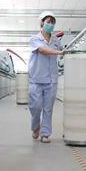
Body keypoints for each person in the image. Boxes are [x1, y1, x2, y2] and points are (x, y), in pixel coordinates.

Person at [27, 11, 63, 143]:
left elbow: (62, 52)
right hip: (36, 79)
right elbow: (42, 50)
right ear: (42, 23)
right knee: (35, 107)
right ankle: (35, 126)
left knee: (48, 108)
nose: (50, 24)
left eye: (53, 22)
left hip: (52, 80)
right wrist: (59, 52)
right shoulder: (34, 39)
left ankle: (45, 134)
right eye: (48, 22)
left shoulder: (56, 40)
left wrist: (64, 52)